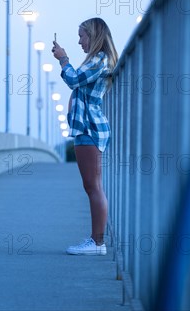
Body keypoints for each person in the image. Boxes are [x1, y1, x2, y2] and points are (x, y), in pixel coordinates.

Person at [52, 17, 118, 255]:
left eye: (82, 36)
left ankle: (97, 243)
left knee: (93, 186)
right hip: (86, 128)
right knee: (91, 186)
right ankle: (96, 241)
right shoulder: (98, 60)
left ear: (94, 35)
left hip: (90, 128)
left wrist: (63, 59)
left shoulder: (99, 60)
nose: (79, 41)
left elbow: (73, 80)